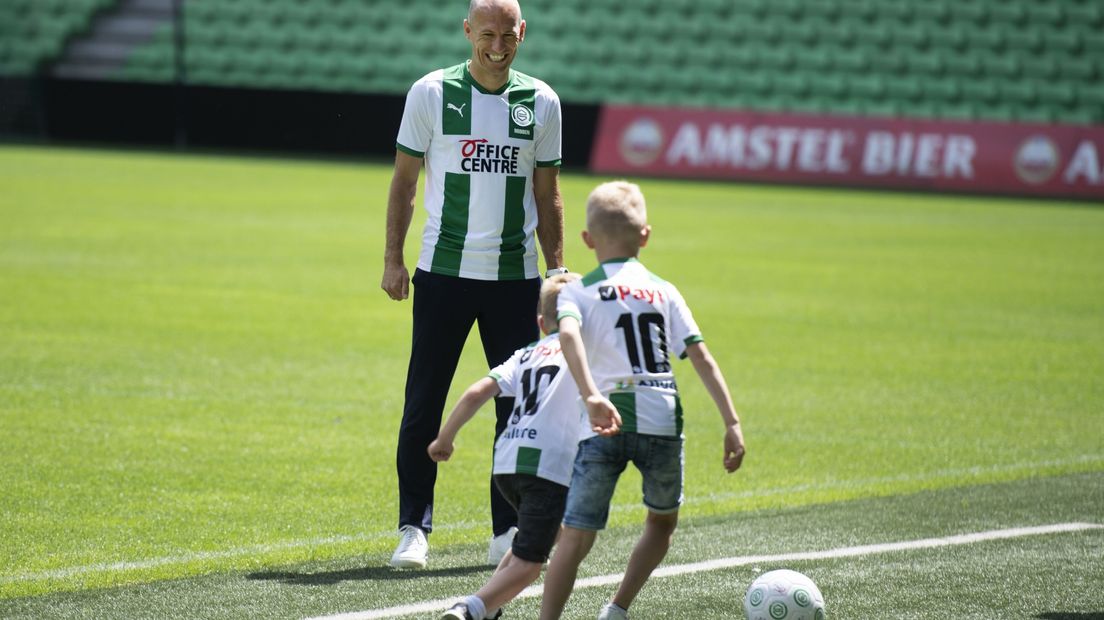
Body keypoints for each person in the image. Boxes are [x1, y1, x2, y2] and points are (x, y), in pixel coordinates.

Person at [382, 0, 567, 569]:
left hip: (516, 280)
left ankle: (505, 531)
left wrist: (556, 270)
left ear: (522, 33)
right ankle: (414, 527)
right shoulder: (431, 93)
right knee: (424, 403)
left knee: (517, 405)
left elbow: (548, 193)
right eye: (485, 33)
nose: (496, 45)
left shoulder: (542, 101)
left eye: (507, 34)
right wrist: (393, 258)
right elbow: (404, 183)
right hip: (443, 275)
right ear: (467, 31)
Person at [540, 181, 747, 620]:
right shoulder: (664, 290)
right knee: (661, 522)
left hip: (602, 423)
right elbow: (701, 357)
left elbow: (570, 335)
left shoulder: (578, 291)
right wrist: (731, 421)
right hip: (661, 420)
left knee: (574, 537)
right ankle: (617, 608)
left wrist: (592, 394)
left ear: (587, 240)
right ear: (645, 236)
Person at [429, 274, 621, 620]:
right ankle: (471, 607)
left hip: (507, 464)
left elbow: (476, 392)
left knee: (541, 538)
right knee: (532, 563)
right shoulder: (587, 353)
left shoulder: (525, 353)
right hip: (547, 469)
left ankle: (491, 604)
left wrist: (445, 437)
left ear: (539, 322)